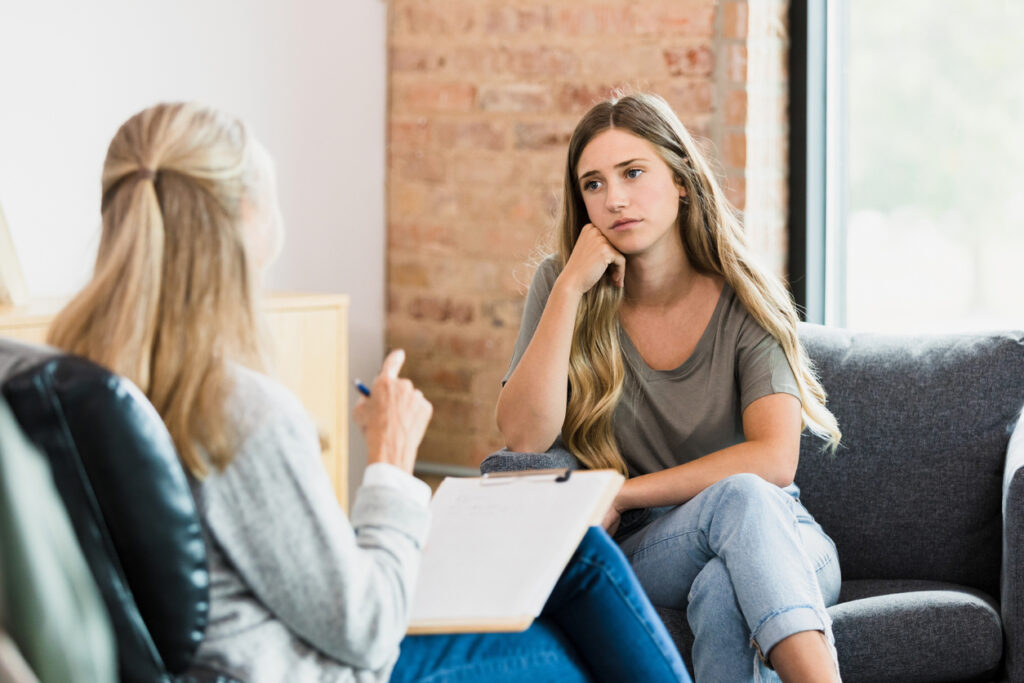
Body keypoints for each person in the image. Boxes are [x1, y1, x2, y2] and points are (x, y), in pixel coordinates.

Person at [45, 102, 691, 683]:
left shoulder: (73, 382)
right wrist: (389, 460)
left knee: (575, 553)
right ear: (246, 218)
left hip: (250, 653)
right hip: (314, 667)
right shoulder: (234, 411)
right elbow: (366, 628)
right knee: (568, 640)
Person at [496, 92, 844, 683]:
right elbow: (523, 435)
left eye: (633, 173)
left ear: (681, 179)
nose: (616, 199)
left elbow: (774, 460)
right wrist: (568, 293)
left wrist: (622, 492)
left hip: (783, 535)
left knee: (724, 575)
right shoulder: (562, 284)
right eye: (594, 185)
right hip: (653, 548)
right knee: (737, 504)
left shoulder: (743, 293)